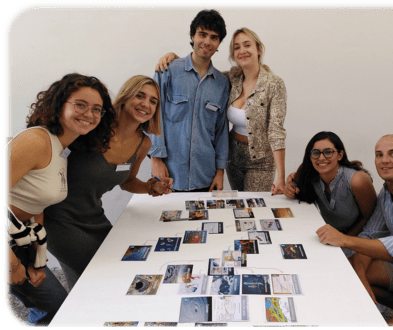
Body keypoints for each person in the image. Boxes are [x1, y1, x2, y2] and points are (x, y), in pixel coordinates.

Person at [44, 75, 173, 290]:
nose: (146, 104)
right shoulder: (92, 126)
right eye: (139, 95)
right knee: (104, 278)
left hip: (93, 217)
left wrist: (152, 187)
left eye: (153, 101)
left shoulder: (143, 142)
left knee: (91, 280)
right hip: (59, 220)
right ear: (125, 97)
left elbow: (128, 181)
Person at [6, 73, 115, 325]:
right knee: (56, 309)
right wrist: (10, 264)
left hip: (23, 242)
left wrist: (36, 257)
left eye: (97, 109)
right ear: (58, 105)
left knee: (51, 306)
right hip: (7, 243)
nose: (89, 114)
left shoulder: (63, 150)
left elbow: (37, 205)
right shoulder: (36, 140)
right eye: (80, 104)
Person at [316, 135, 393, 326]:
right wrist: (361, 279)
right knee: (350, 274)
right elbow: (369, 234)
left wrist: (344, 240)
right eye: (379, 154)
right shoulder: (386, 192)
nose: (384, 160)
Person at [155, 27, 287, 194]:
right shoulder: (231, 78)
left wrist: (281, 178)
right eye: (237, 47)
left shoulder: (274, 84)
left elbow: (276, 132)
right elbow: (200, 74)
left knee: (254, 207)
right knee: (241, 208)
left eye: (247, 45)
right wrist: (175, 59)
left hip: (260, 161)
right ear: (233, 54)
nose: (242, 51)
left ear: (258, 49)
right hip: (234, 158)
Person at [148, 9, 229, 192]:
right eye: (202, 34)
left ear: (218, 43)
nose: (207, 42)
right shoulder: (167, 71)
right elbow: (153, 115)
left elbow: (221, 129)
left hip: (205, 177)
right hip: (168, 174)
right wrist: (156, 158)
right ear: (192, 35)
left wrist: (220, 171)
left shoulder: (222, 83)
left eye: (214, 37)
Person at [284, 131, 377, 243]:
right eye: (315, 153)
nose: (321, 158)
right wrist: (289, 187)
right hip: (330, 234)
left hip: (360, 235)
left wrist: (344, 240)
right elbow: (293, 181)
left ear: (340, 155)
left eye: (328, 152)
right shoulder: (309, 173)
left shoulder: (357, 180)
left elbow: (371, 218)